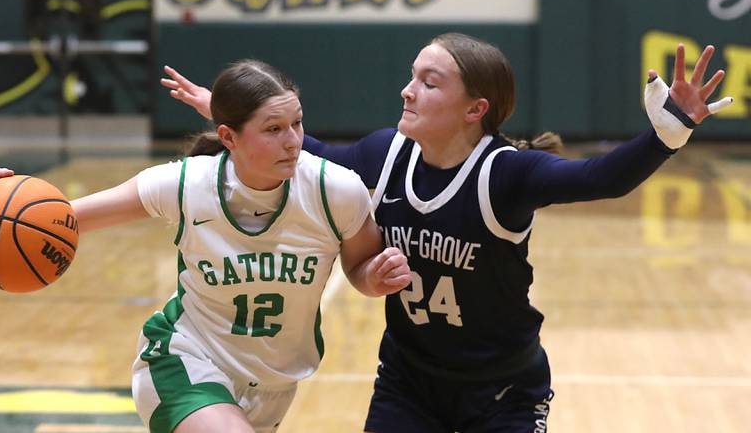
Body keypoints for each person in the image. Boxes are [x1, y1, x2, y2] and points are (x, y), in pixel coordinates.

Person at [158, 35, 733, 432]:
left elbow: (599, 179)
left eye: (429, 84)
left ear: (473, 108)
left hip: (503, 392)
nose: (408, 91)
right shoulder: (384, 155)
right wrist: (232, 114)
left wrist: (667, 134)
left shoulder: (505, 173)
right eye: (411, 78)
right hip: (410, 383)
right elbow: (311, 152)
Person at [0, 60, 411, 433]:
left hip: (273, 385)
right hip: (184, 361)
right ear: (229, 138)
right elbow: (60, 219)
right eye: (273, 129)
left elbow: (360, 269)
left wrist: (374, 277)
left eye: (297, 123)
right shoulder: (184, 185)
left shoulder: (337, 190)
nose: (293, 141)